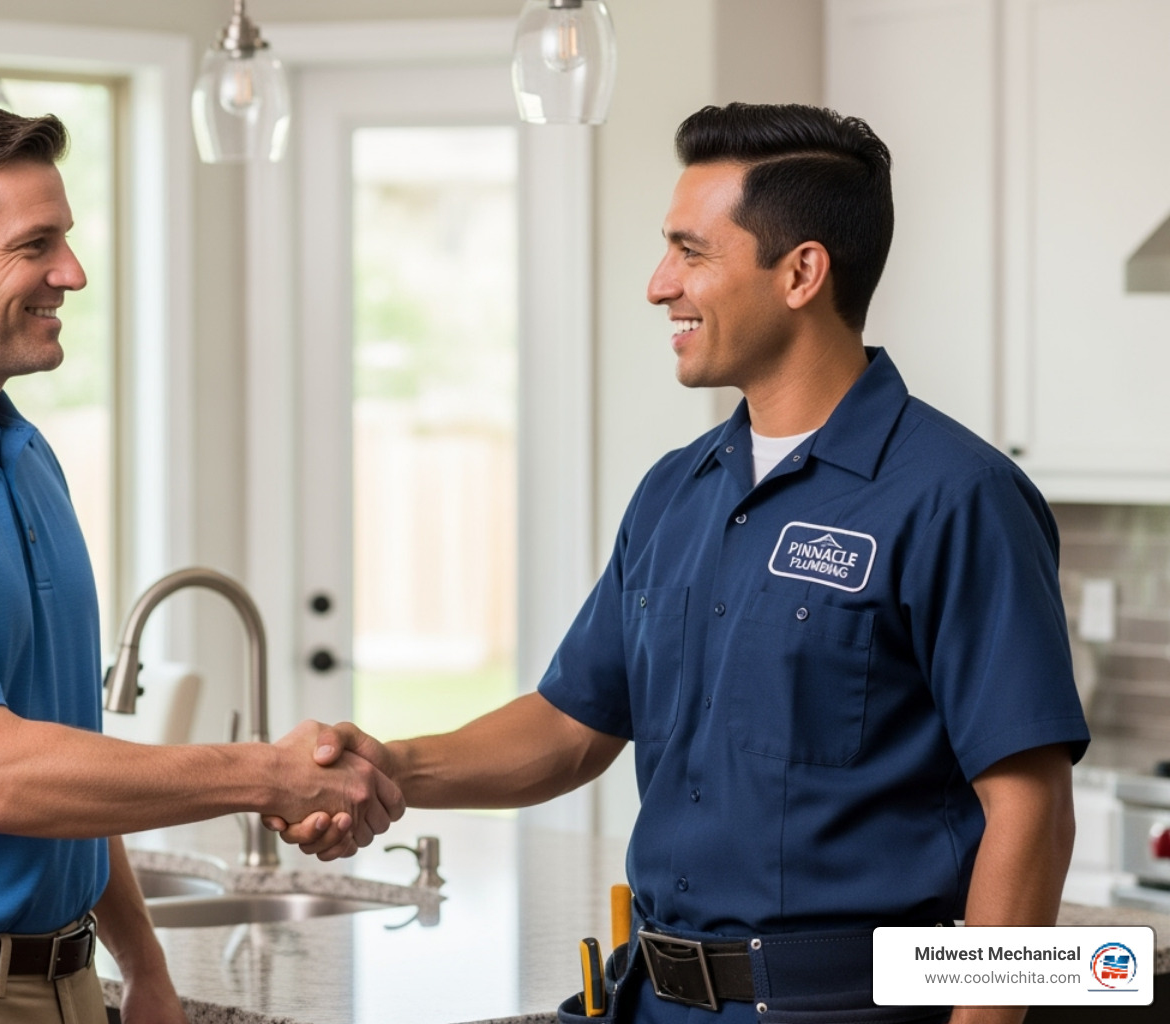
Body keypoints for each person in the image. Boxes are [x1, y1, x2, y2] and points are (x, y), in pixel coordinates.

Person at [272, 103, 1089, 1024]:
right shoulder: (676, 490)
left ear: (801, 273)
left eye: (690, 252)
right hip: (654, 1001)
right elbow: (571, 726)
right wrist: (391, 767)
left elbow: (1032, 808)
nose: (660, 286)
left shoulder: (958, 497)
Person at [0, 97, 401, 1024]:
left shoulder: (19, 456)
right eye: (34, 245)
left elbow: (63, 757)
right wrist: (268, 773)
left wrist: (143, 965)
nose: (72, 272)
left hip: (63, 983)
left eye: (66, 239)